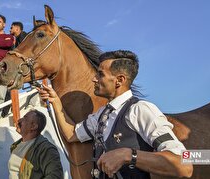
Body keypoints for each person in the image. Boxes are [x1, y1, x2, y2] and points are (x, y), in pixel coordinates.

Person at [38, 50, 193, 178]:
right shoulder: (100, 116)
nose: (94, 79)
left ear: (119, 80)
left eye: (100, 74)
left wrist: (128, 155)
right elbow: (72, 134)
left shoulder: (140, 110)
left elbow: (183, 164)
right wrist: (55, 101)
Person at [8, 109, 63, 179]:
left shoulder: (46, 149)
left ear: (33, 126)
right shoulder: (15, 146)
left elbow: (56, 176)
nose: (19, 120)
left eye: (25, 118)